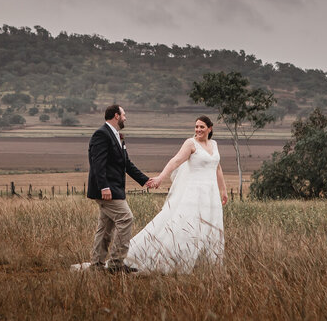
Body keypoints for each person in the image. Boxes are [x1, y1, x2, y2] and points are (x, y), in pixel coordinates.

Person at [125, 115, 227, 274]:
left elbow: (218, 168)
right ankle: (170, 260)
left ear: (210, 128)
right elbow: (175, 161)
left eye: (202, 127)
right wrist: (160, 178)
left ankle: (202, 264)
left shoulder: (214, 144)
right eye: (196, 127)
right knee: (185, 227)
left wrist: (224, 190)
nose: (198, 130)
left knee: (208, 227)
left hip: (211, 195)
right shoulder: (190, 143)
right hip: (194, 193)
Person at [84, 105, 153, 274]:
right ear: (116, 116)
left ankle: (97, 265)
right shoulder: (102, 134)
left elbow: (126, 164)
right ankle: (116, 263)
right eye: (124, 115)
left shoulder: (117, 136)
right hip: (107, 190)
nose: (125, 118)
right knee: (126, 218)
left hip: (113, 188)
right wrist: (104, 187)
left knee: (105, 227)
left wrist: (145, 181)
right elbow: (97, 164)